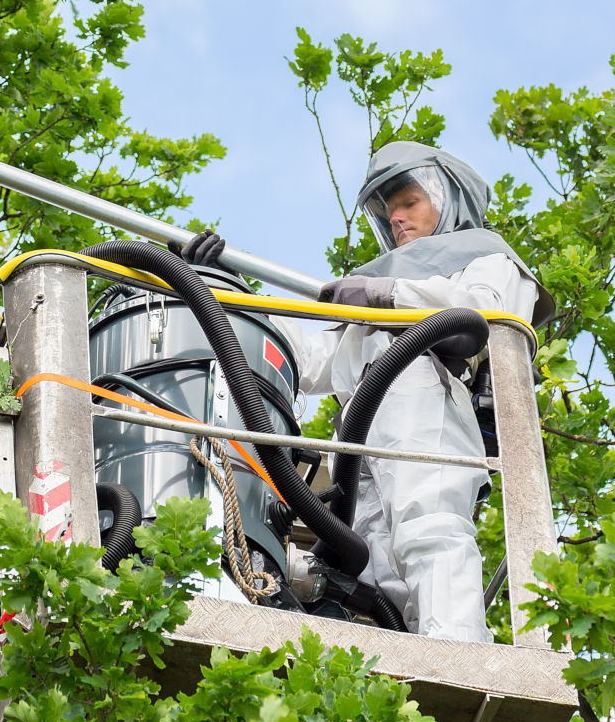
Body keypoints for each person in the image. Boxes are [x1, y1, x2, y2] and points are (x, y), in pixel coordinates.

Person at [177, 141, 551, 642]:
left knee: (428, 526)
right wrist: (227, 292)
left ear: (448, 199)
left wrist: (387, 294)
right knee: (375, 562)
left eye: (409, 203)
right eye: (388, 211)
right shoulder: (371, 297)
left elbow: (482, 312)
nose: (397, 219)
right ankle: (405, 663)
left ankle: (456, 650)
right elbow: (307, 366)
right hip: (361, 429)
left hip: (425, 395)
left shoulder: (486, 257)